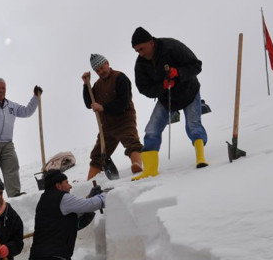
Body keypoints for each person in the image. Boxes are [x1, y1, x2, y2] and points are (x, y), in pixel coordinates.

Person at [130, 26, 208, 179]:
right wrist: (162, 87)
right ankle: (150, 169)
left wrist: (178, 73)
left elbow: (196, 65)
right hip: (166, 99)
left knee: (193, 125)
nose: (141, 53)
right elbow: (143, 88)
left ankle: (201, 158)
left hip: (189, 92)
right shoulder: (140, 64)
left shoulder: (172, 46)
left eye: (142, 48)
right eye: (137, 51)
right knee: (152, 129)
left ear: (151, 42)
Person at [82, 53, 144, 179]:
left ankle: (137, 164)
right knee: (98, 154)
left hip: (124, 120)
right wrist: (85, 85)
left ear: (107, 63)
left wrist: (103, 107)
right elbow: (89, 103)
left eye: (101, 67)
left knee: (131, 142)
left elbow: (123, 102)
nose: (100, 71)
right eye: (97, 70)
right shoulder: (97, 85)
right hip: (106, 126)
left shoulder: (120, 78)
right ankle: (91, 179)